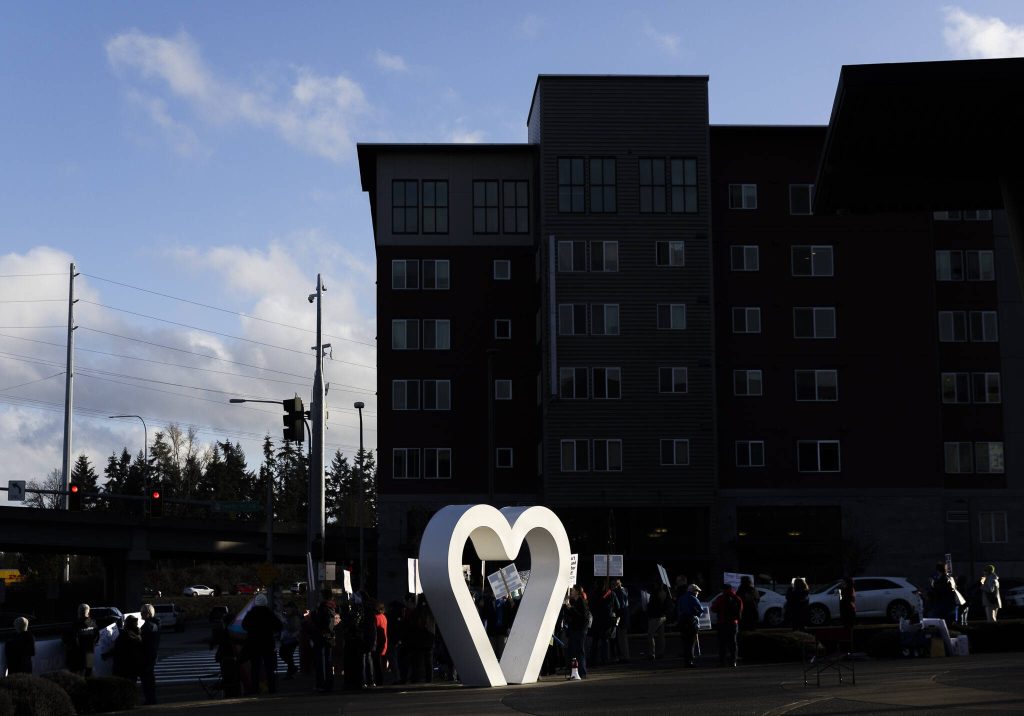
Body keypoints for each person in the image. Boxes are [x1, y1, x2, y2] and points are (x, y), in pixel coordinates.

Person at [242, 593, 283, 695]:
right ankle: (272, 689)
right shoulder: (269, 613)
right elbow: (279, 626)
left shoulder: (251, 614)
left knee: (255, 667)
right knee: (269, 667)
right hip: (267, 644)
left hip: (254, 644)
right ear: (265, 603)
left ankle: (255, 689)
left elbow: (244, 625)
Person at [311, 588, 339, 692]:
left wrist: (313, 616)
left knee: (322, 661)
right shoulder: (332, 607)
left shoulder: (324, 608)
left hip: (322, 637)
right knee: (328, 661)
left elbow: (323, 623)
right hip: (329, 637)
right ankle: (328, 683)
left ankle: (323, 684)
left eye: (320, 595)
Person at [710, 583, 743, 667]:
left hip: (722, 623)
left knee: (722, 643)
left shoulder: (721, 598)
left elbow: (713, 609)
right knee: (733, 643)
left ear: (723, 589)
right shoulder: (737, 598)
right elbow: (741, 609)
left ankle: (722, 661)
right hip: (733, 623)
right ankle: (733, 661)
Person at [106, 615, 143, 683]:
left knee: (122, 686)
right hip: (133, 666)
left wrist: (106, 654)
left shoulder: (125, 634)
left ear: (127, 624)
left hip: (122, 667)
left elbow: (118, 649)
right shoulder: (138, 634)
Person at [66, 603, 98, 676]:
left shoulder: (76, 624)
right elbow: (97, 637)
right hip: (90, 653)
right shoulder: (91, 623)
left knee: (79, 675)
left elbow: (71, 639)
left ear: (79, 612)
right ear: (88, 612)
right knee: (89, 674)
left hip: (79, 654)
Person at [564, 585, 589, 678]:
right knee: (573, 651)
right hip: (575, 629)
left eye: (573, 590)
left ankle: (582, 672)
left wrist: (570, 607)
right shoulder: (576, 601)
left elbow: (581, 616)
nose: (571, 592)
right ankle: (575, 671)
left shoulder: (581, 601)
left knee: (580, 651)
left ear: (577, 592)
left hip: (580, 630)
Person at [677, 584, 704, 667]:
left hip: (682, 621)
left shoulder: (681, 598)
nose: (698, 593)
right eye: (697, 591)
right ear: (693, 591)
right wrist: (697, 614)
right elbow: (700, 611)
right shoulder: (693, 598)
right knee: (691, 643)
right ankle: (690, 661)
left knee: (685, 642)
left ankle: (686, 660)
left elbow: (678, 610)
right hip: (691, 622)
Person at [139, 604, 161, 705]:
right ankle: (152, 698)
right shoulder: (155, 624)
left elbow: (142, 642)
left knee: (146, 679)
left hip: (147, 655)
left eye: (142, 612)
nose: (141, 614)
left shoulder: (148, 626)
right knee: (150, 678)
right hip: (152, 654)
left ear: (148, 614)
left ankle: (149, 699)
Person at [928, 562, 958, 626]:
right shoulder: (948, 577)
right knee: (946, 621)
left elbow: (940, 589)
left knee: (936, 619)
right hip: (947, 603)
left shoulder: (943, 579)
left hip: (942, 603)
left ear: (938, 570)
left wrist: (932, 584)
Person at [646, 582, 670, 660]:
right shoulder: (663, 591)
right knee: (661, 635)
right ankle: (661, 653)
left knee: (650, 634)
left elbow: (654, 604)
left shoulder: (658, 592)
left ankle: (652, 654)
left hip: (656, 616)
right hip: (661, 615)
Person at [279, 603, 300, 678]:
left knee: (285, 654)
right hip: (288, 639)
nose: (286, 611)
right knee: (288, 655)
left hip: (291, 639)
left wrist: (284, 622)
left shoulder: (294, 618)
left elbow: (292, 628)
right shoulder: (289, 616)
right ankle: (291, 671)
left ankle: (291, 669)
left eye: (287, 609)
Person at [612, 579, 631, 662]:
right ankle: (624, 655)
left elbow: (620, 605)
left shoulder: (619, 591)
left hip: (621, 615)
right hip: (624, 614)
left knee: (621, 637)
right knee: (622, 636)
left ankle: (624, 656)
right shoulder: (624, 590)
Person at [372, 601, 389, 686]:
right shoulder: (384, 617)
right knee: (382, 664)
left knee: (377, 664)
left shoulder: (376, 617)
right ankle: (381, 680)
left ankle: (379, 681)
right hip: (384, 642)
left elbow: (374, 631)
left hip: (378, 643)